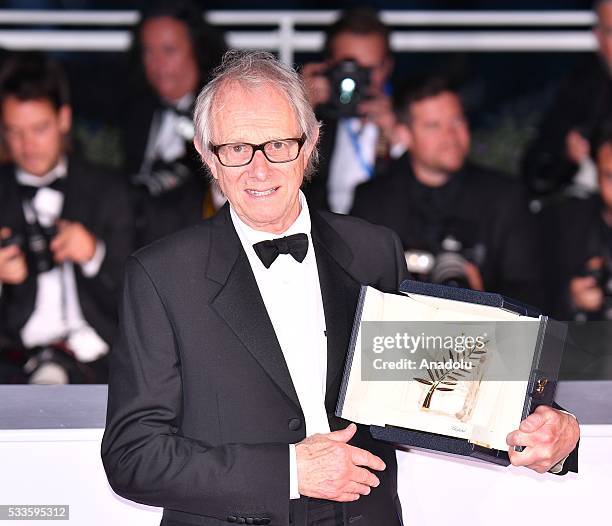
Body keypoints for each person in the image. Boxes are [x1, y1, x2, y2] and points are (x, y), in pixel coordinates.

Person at [102, 52, 580, 526]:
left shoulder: (372, 249)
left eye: (278, 145)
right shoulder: (161, 275)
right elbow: (132, 457)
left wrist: (549, 423)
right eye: (236, 149)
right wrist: (289, 472)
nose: (259, 169)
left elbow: (439, 380)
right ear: (207, 156)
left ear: (310, 144)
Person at [352, 76, 545, 308]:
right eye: (434, 126)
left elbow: (531, 295)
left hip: (485, 339)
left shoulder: (504, 197)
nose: (451, 136)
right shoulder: (374, 201)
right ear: (404, 135)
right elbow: (357, 293)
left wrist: (484, 300)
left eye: (457, 122)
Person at [0, 53, 133, 384]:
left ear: (63, 119)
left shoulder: (108, 189)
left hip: (98, 362)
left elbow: (142, 296)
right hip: (15, 361)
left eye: (39, 129)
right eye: (15, 132)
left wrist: (93, 254)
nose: (27, 145)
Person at [122, 0, 226, 247]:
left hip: (200, 241)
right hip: (133, 242)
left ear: (196, 50)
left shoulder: (221, 110)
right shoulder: (134, 109)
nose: (157, 64)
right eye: (148, 51)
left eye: (169, 50)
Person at [301, 7, 401, 214]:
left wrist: (397, 140)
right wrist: (300, 108)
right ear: (329, 65)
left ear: (388, 66)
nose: (358, 79)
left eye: (369, 69)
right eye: (349, 68)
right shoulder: (313, 116)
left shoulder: (408, 113)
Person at [522, 0, 612, 197]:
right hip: (595, 215)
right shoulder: (581, 89)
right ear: (599, 38)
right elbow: (535, 174)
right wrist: (567, 157)